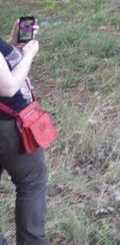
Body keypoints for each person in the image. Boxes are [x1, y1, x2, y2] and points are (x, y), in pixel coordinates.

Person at [0, 20, 48, 245]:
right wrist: (29, 53)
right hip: (7, 127)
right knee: (32, 182)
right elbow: (8, 87)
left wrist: (12, 44)